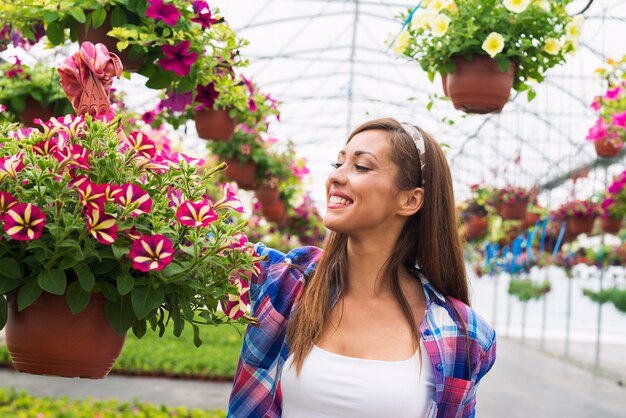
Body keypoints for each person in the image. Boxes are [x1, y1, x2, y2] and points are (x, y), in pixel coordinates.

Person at [228, 118, 496, 418]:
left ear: (410, 200)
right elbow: (198, 244)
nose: (336, 177)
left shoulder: (460, 333)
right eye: (338, 163)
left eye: (361, 167)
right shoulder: (289, 284)